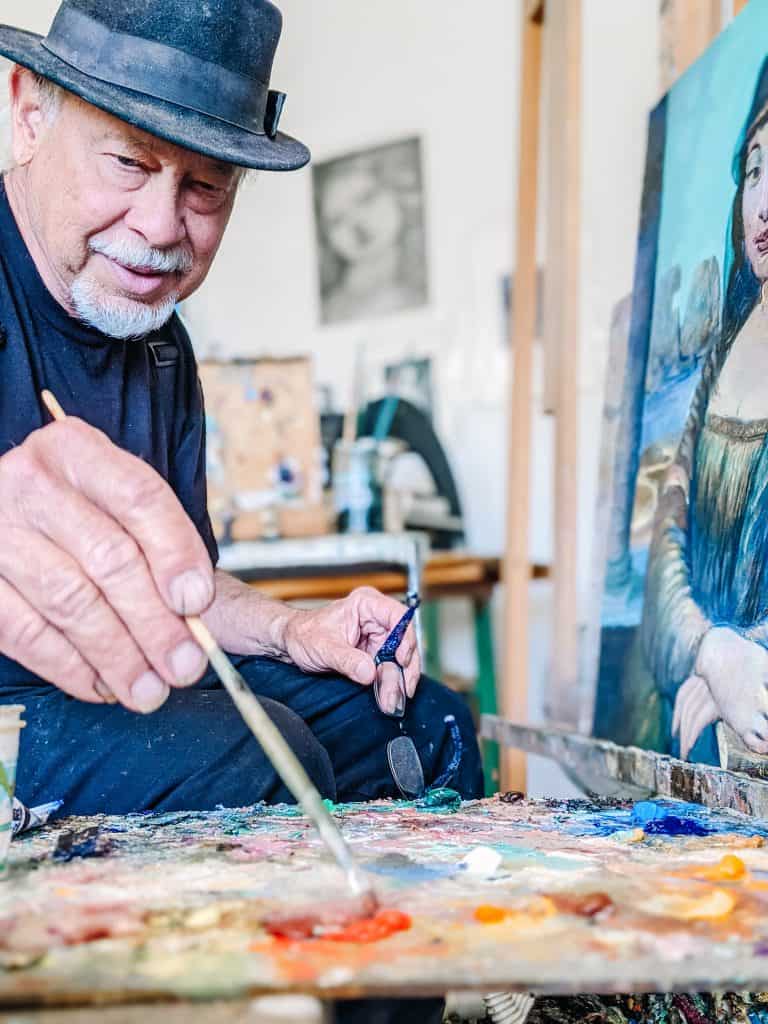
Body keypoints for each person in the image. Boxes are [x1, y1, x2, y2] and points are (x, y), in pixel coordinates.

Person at [637, 55, 768, 764]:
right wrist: (706, 646)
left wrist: (747, 667)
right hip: (699, 706)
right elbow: (669, 523)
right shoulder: (722, 350)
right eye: (754, 171)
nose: (764, 204)